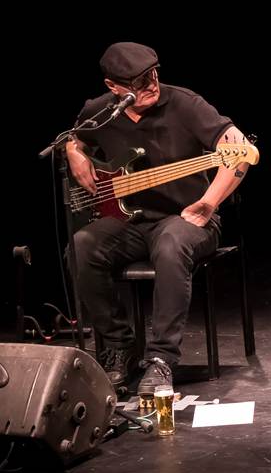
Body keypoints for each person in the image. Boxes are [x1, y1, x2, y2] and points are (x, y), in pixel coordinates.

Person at [66, 42, 252, 393]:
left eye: (153, 74)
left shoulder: (185, 104)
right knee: (81, 247)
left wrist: (209, 202)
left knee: (170, 245)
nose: (151, 85)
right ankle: (119, 346)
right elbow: (75, 137)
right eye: (138, 81)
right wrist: (74, 151)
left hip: (189, 218)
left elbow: (240, 150)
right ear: (113, 86)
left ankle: (161, 359)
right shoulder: (101, 111)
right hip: (130, 222)